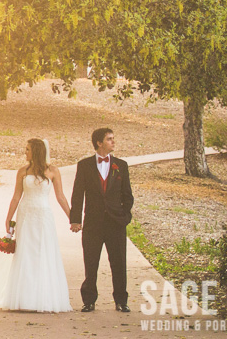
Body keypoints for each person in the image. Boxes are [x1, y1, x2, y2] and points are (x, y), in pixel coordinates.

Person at [0, 138, 72, 312]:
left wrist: (72, 217)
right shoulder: (22, 172)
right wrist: (9, 218)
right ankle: (24, 297)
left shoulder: (53, 171)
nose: (25, 152)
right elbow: (16, 197)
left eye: (28, 149)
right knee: (25, 253)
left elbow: (60, 197)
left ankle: (43, 297)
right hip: (26, 215)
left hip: (43, 216)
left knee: (43, 252)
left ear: (36, 151)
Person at [70, 127, 134, 313]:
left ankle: (121, 301)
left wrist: (124, 216)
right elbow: (77, 194)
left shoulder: (121, 165)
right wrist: (75, 219)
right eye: (109, 139)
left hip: (116, 223)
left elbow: (127, 195)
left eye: (113, 138)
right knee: (91, 262)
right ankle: (89, 301)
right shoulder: (84, 165)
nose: (113, 142)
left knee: (119, 263)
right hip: (93, 223)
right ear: (99, 142)